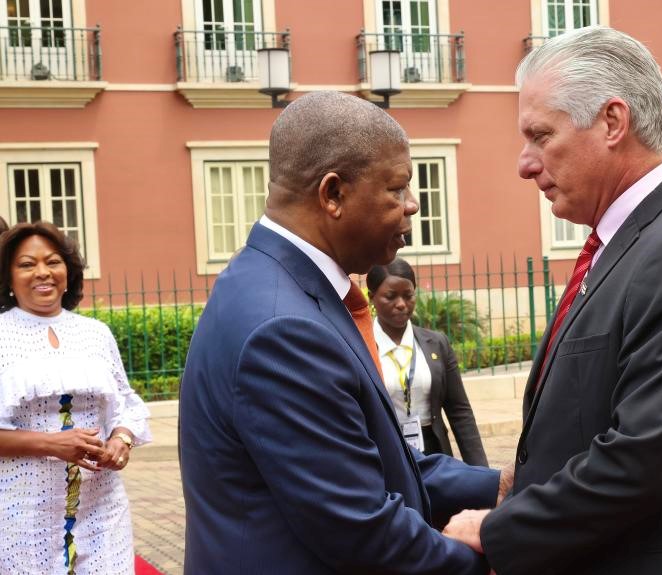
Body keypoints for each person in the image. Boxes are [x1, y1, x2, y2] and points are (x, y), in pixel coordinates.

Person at [443, 26, 662, 575]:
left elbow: (646, 455)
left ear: (611, 122)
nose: (525, 163)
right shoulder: (632, 243)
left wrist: (497, 531)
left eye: (540, 135)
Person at [178, 91, 505, 574]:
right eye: (397, 189)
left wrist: (498, 487)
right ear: (333, 194)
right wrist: (495, 562)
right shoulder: (283, 330)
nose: (413, 206)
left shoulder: (285, 287)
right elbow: (359, 525)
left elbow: (378, 461)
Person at [0, 221, 151, 574]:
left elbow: (126, 403)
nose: (43, 272)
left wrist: (121, 439)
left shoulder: (96, 334)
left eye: (53, 261)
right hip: (23, 511)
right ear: (8, 277)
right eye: (26, 264)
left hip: (102, 506)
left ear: (68, 272)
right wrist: (52, 444)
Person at [367, 258, 488, 465]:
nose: (401, 304)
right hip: (384, 453)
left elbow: (459, 412)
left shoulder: (437, 344)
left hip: (432, 451)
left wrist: (483, 472)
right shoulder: (361, 346)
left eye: (408, 296)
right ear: (372, 298)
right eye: (390, 296)